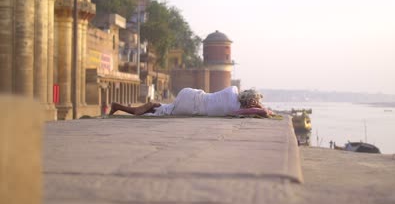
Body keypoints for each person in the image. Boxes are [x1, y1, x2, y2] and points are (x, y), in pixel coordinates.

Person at [109, 86, 274, 118]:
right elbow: (261, 111)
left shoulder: (232, 90)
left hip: (190, 93)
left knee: (165, 108)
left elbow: (254, 108)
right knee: (165, 111)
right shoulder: (234, 108)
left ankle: (118, 106)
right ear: (250, 103)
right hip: (191, 106)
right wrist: (260, 109)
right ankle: (149, 106)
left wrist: (257, 105)